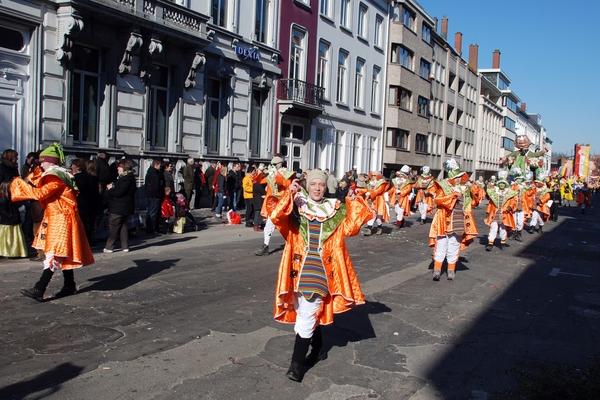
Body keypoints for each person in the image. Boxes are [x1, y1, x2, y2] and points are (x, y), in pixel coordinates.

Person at [270, 169, 372, 382]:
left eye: (321, 185)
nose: (317, 188)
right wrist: (288, 193)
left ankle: (296, 366)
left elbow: (352, 228)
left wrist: (352, 203)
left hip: (323, 270)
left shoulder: (334, 209)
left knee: (306, 314)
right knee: (303, 312)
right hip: (296, 269)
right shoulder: (297, 205)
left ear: (326, 187)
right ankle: (318, 348)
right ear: (308, 185)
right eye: (314, 184)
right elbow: (276, 216)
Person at [11, 143, 95, 301]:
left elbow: (41, 193)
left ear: (51, 162)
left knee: (54, 253)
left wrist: (17, 184)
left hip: (61, 219)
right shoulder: (58, 175)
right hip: (58, 217)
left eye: (43, 161)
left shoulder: (55, 177)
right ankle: (69, 285)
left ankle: (39, 288)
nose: (41, 164)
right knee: (62, 252)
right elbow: (41, 186)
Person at [429, 159, 479, 281]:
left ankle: (451, 270)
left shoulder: (465, 189)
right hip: (443, 220)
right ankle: (437, 270)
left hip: (459, 221)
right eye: (456, 177)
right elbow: (439, 200)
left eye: (460, 176)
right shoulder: (444, 186)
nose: (458, 179)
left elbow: (474, 203)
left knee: (454, 245)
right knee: (441, 245)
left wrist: (473, 191)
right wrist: (453, 195)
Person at [255, 155, 294, 256]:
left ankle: (290, 244)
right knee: (269, 225)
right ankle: (265, 246)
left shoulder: (287, 173)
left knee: (286, 226)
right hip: (272, 205)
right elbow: (259, 181)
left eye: (273, 164)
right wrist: (260, 171)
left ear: (279, 164)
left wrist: (276, 174)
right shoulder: (270, 174)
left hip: (282, 204)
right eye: (271, 164)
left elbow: (286, 184)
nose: (271, 166)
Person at [103, 159, 137, 252]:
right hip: (125, 206)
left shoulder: (126, 179)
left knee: (114, 226)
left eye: (119, 167)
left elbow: (119, 192)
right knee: (123, 225)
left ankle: (109, 246)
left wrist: (110, 189)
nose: (117, 168)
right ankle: (125, 246)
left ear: (123, 168)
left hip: (119, 206)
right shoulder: (129, 178)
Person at [484, 171, 517, 251]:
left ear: (506, 184)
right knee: (493, 227)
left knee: (503, 228)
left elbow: (513, 201)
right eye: (500, 183)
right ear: (498, 184)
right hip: (495, 213)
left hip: (504, 213)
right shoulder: (494, 192)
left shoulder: (509, 192)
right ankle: (490, 243)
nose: (502, 185)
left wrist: (510, 206)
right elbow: (491, 203)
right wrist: (488, 211)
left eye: (503, 183)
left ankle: (503, 242)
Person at [0, 181, 28, 258]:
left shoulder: (12, 198)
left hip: (14, 220)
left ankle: (14, 252)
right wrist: (10, 215)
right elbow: (2, 210)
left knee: (14, 238)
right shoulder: (3, 199)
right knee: (9, 238)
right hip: (8, 222)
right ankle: (8, 252)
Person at [358, 170, 389, 236]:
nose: (373, 177)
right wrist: (360, 190)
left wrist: (371, 193)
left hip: (378, 200)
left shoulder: (382, 183)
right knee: (371, 214)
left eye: (375, 175)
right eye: (373, 175)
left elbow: (379, 190)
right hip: (370, 200)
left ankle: (379, 227)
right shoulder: (370, 182)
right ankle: (369, 229)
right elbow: (366, 189)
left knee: (378, 216)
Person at [386, 165, 414, 229]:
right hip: (396, 198)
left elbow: (408, 189)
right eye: (400, 174)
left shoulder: (408, 182)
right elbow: (393, 188)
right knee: (396, 211)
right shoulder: (396, 181)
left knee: (401, 211)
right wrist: (388, 192)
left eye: (402, 174)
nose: (400, 176)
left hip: (403, 198)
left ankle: (398, 224)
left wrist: (401, 192)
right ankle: (402, 220)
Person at [144, 159, 165, 234]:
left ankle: (149, 228)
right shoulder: (154, 174)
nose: (160, 167)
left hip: (149, 194)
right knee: (153, 213)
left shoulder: (149, 172)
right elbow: (156, 186)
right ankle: (151, 229)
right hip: (154, 195)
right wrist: (158, 195)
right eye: (159, 165)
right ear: (156, 165)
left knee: (149, 212)